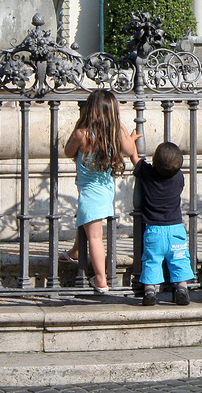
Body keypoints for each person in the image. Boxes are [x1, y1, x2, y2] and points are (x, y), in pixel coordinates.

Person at [61, 90, 140, 293]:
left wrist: (76, 134)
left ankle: (101, 279)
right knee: (86, 221)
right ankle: (76, 251)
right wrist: (125, 130)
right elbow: (131, 150)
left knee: (95, 237)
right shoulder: (115, 134)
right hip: (105, 190)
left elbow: (68, 152)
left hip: (88, 191)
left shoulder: (82, 134)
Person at [131, 141, 193, 306]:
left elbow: (134, 158)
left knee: (152, 260)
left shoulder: (146, 174)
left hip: (154, 230)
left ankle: (150, 291)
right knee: (180, 260)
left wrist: (132, 141)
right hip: (176, 230)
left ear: (153, 161)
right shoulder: (179, 177)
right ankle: (181, 288)